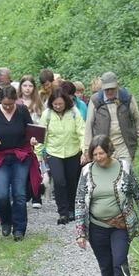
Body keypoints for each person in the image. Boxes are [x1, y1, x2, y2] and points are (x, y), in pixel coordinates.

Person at [75, 135, 139, 276]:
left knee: (119, 262)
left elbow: (138, 195)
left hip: (120, 225)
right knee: (106, 267)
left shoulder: (124, 168)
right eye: (94, 154)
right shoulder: (87, 171)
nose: (98, 157)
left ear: (109, 151)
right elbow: (80, 201)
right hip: (97, 227)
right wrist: (80, 232)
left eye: (101, 153)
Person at [0, 87, 41, 241]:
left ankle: (19, 228)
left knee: (19, 194)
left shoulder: (22, 111)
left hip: (20, 156)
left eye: (10, 104)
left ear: (15, 100)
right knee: (1, 194)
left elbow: (31, 131)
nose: (8, 107)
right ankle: (6, 221)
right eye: (5, 104)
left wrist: (33, 139)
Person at [36, 89, 85, 224]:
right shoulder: (47, 114)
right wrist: (38, 154)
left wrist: (84, 150)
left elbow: (82, 131)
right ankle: (62, 212)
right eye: (55, 104)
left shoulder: (74, 112)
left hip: (73, 151)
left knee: (71, 181)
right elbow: (41, 135)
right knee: (59, 181)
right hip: (54, 152)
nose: (58, 106)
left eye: (60, 104)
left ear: (66, 103)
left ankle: (71, 209)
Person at [82, 72, 139, 164]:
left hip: (125, 145)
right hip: (104, 147)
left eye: (112, 88)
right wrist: (87, 149)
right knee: (109, 175)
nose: (109, 91)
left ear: (117, 86)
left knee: (125, 172)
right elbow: (89, 124)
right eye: (107, 89)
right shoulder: (95, 100)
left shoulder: (127, 98)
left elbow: (137, 119)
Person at [17, 74, 46, 209]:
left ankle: (36, 195)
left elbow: (42, 122)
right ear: (20, 87)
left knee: (35, 169)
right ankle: (23, 194)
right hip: (20, 139)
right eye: (25, 85)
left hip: (35, 140)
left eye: (30, 86)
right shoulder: (16, 102)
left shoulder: (38, 104)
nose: (27, 89)